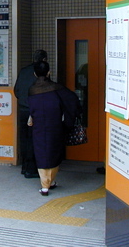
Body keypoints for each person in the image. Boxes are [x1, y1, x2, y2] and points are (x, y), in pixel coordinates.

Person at [28, 61, 81, 196]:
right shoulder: (57, 88)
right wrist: (69, 118)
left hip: (39, 127)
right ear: (49, 73)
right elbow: (72, 100)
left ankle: (45, 185)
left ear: (34, 74)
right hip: (55, 126)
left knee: (41, 153)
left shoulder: (32, 90)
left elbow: (31, 108)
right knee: (54, 152)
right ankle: (49, 182)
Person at [13, 49, 47, 178]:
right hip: (35, 111)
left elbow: (16, 90)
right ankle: (32, 169)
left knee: (25, 139)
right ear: (44, 59)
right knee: (35, 140)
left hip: (23, 109)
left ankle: (25, 167)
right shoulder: (41, 73)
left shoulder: (23, 71)